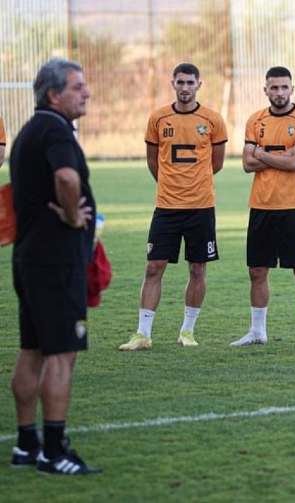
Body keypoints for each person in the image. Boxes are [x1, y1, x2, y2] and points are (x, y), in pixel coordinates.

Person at [9, 58, 99, 474]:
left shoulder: (28, 131)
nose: (86, 93)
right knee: (62, 354)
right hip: (55, 261)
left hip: (28, 258)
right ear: (53, 94)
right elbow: (66, 179)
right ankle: (54, 450)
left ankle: (27, 444)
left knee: (33, 351)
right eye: (78, 87)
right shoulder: (55, 130)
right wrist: (70, 216)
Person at [119, 63, 228, 351]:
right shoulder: (158, 118)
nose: (185, 87)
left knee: (197, 269)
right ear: (172, 84)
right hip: (166, 207)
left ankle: (187, 331)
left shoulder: (213, 120)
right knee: (154, 267)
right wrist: (170, 185)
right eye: (180, 82)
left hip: (201, 207)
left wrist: (194, 183)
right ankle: (143, 334)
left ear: (199, 85)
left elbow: (216, 163)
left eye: (190, 82)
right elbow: (153, 161)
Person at [230, 66, 295, 349]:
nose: (279, 93)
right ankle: (257, 332)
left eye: (284, 87)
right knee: (257, 271)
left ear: (292, 89)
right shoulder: (255, 120)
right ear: (265, 89)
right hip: (261, 206)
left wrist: (260, 153)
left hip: (293, 207)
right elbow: (247, 165)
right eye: (274, 88)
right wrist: (277, 155)